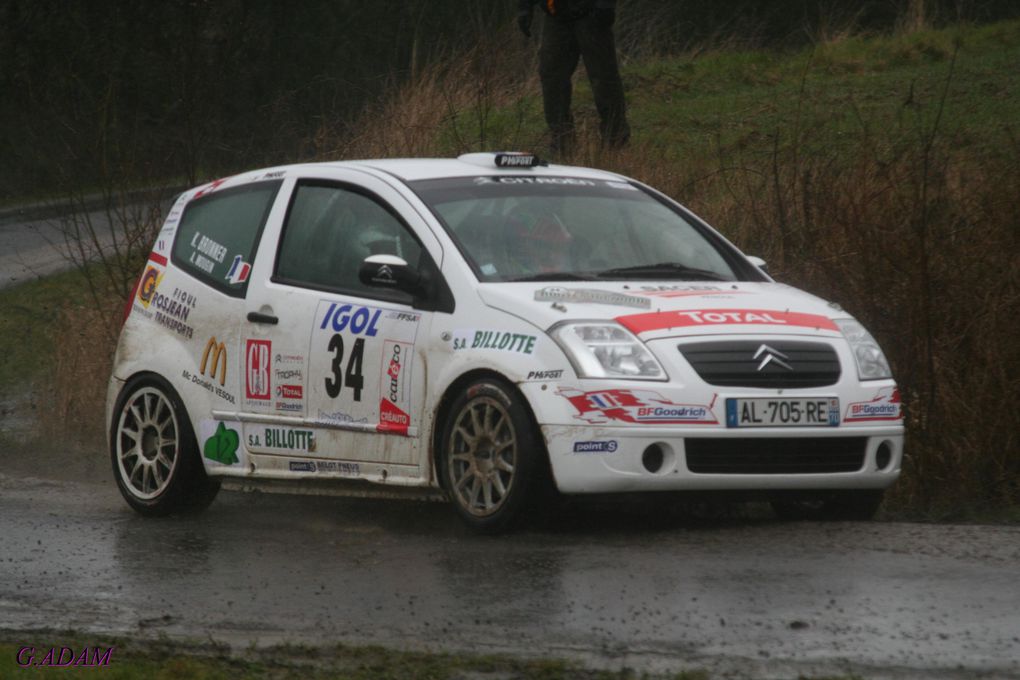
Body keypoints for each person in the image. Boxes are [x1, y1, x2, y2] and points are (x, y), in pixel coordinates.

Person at [517, 0, 630, 154]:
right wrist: (525, 7)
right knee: (552, 78)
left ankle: (616, 142)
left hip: (592, 14)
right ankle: (562, 143)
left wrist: (606, 5)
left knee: (604, 79)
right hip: (557, 16)